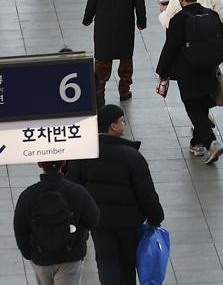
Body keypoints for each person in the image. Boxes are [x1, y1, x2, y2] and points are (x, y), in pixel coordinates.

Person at [68, 104, 164, 285]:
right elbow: (146, 193)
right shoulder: (132, 156)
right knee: (127, 265)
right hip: (128, 223)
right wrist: (155, 216)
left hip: (100, 222)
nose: (124, 124)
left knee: (105, 262)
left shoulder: (84, 155)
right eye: (122, 121)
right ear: (113, 126)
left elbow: (73, 188)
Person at [154, 0, 223, 163]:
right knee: (202, 106)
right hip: (209, 68)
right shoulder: (211, 14)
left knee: (193, 109)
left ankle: (212, 143)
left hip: (188, 72)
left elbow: (170, 48)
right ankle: (197, 143)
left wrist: (163, 72)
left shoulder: (179, 20)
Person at [13, 161, 100, 285]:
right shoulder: (77, 191)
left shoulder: (28, 195)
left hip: (41, 257)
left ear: (39, 164)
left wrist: (29, 253)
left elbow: (20, 228)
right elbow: (93, 219)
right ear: (63, 163)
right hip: (70, 256)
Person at [81, 0, 146, 107]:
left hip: (104, 26)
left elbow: (92, 0)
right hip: (125, 25)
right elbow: (140, 3)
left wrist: (87, 19)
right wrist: (141, 22)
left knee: (102, 60)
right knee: (126, 59)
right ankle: (124, 90)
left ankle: (99, 93)